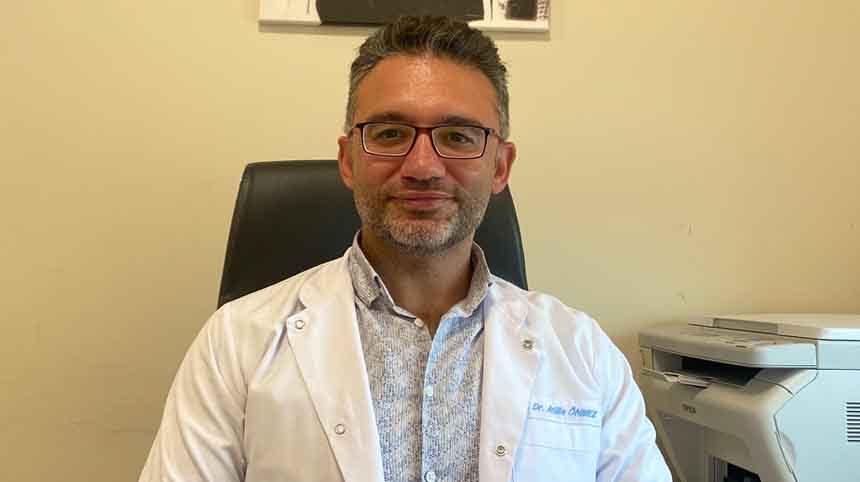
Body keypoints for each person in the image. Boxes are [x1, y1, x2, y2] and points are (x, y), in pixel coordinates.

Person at [139, 16, 671, 482]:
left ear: (500, 166)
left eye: (459, 136)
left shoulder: (583, 352)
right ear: (348, 160)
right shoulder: (236, 343)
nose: (422, 167)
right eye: (391, 133)